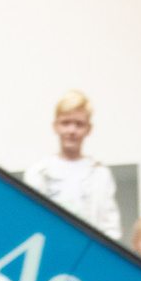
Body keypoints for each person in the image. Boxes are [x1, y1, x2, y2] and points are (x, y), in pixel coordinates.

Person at [22, 90, 120, 239]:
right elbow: (29, 221)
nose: (72, 130)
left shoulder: (100, 174)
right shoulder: (37, 173)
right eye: (65, 123)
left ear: (88, 129)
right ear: (55, 126)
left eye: (79, 124)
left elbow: (111, 229)